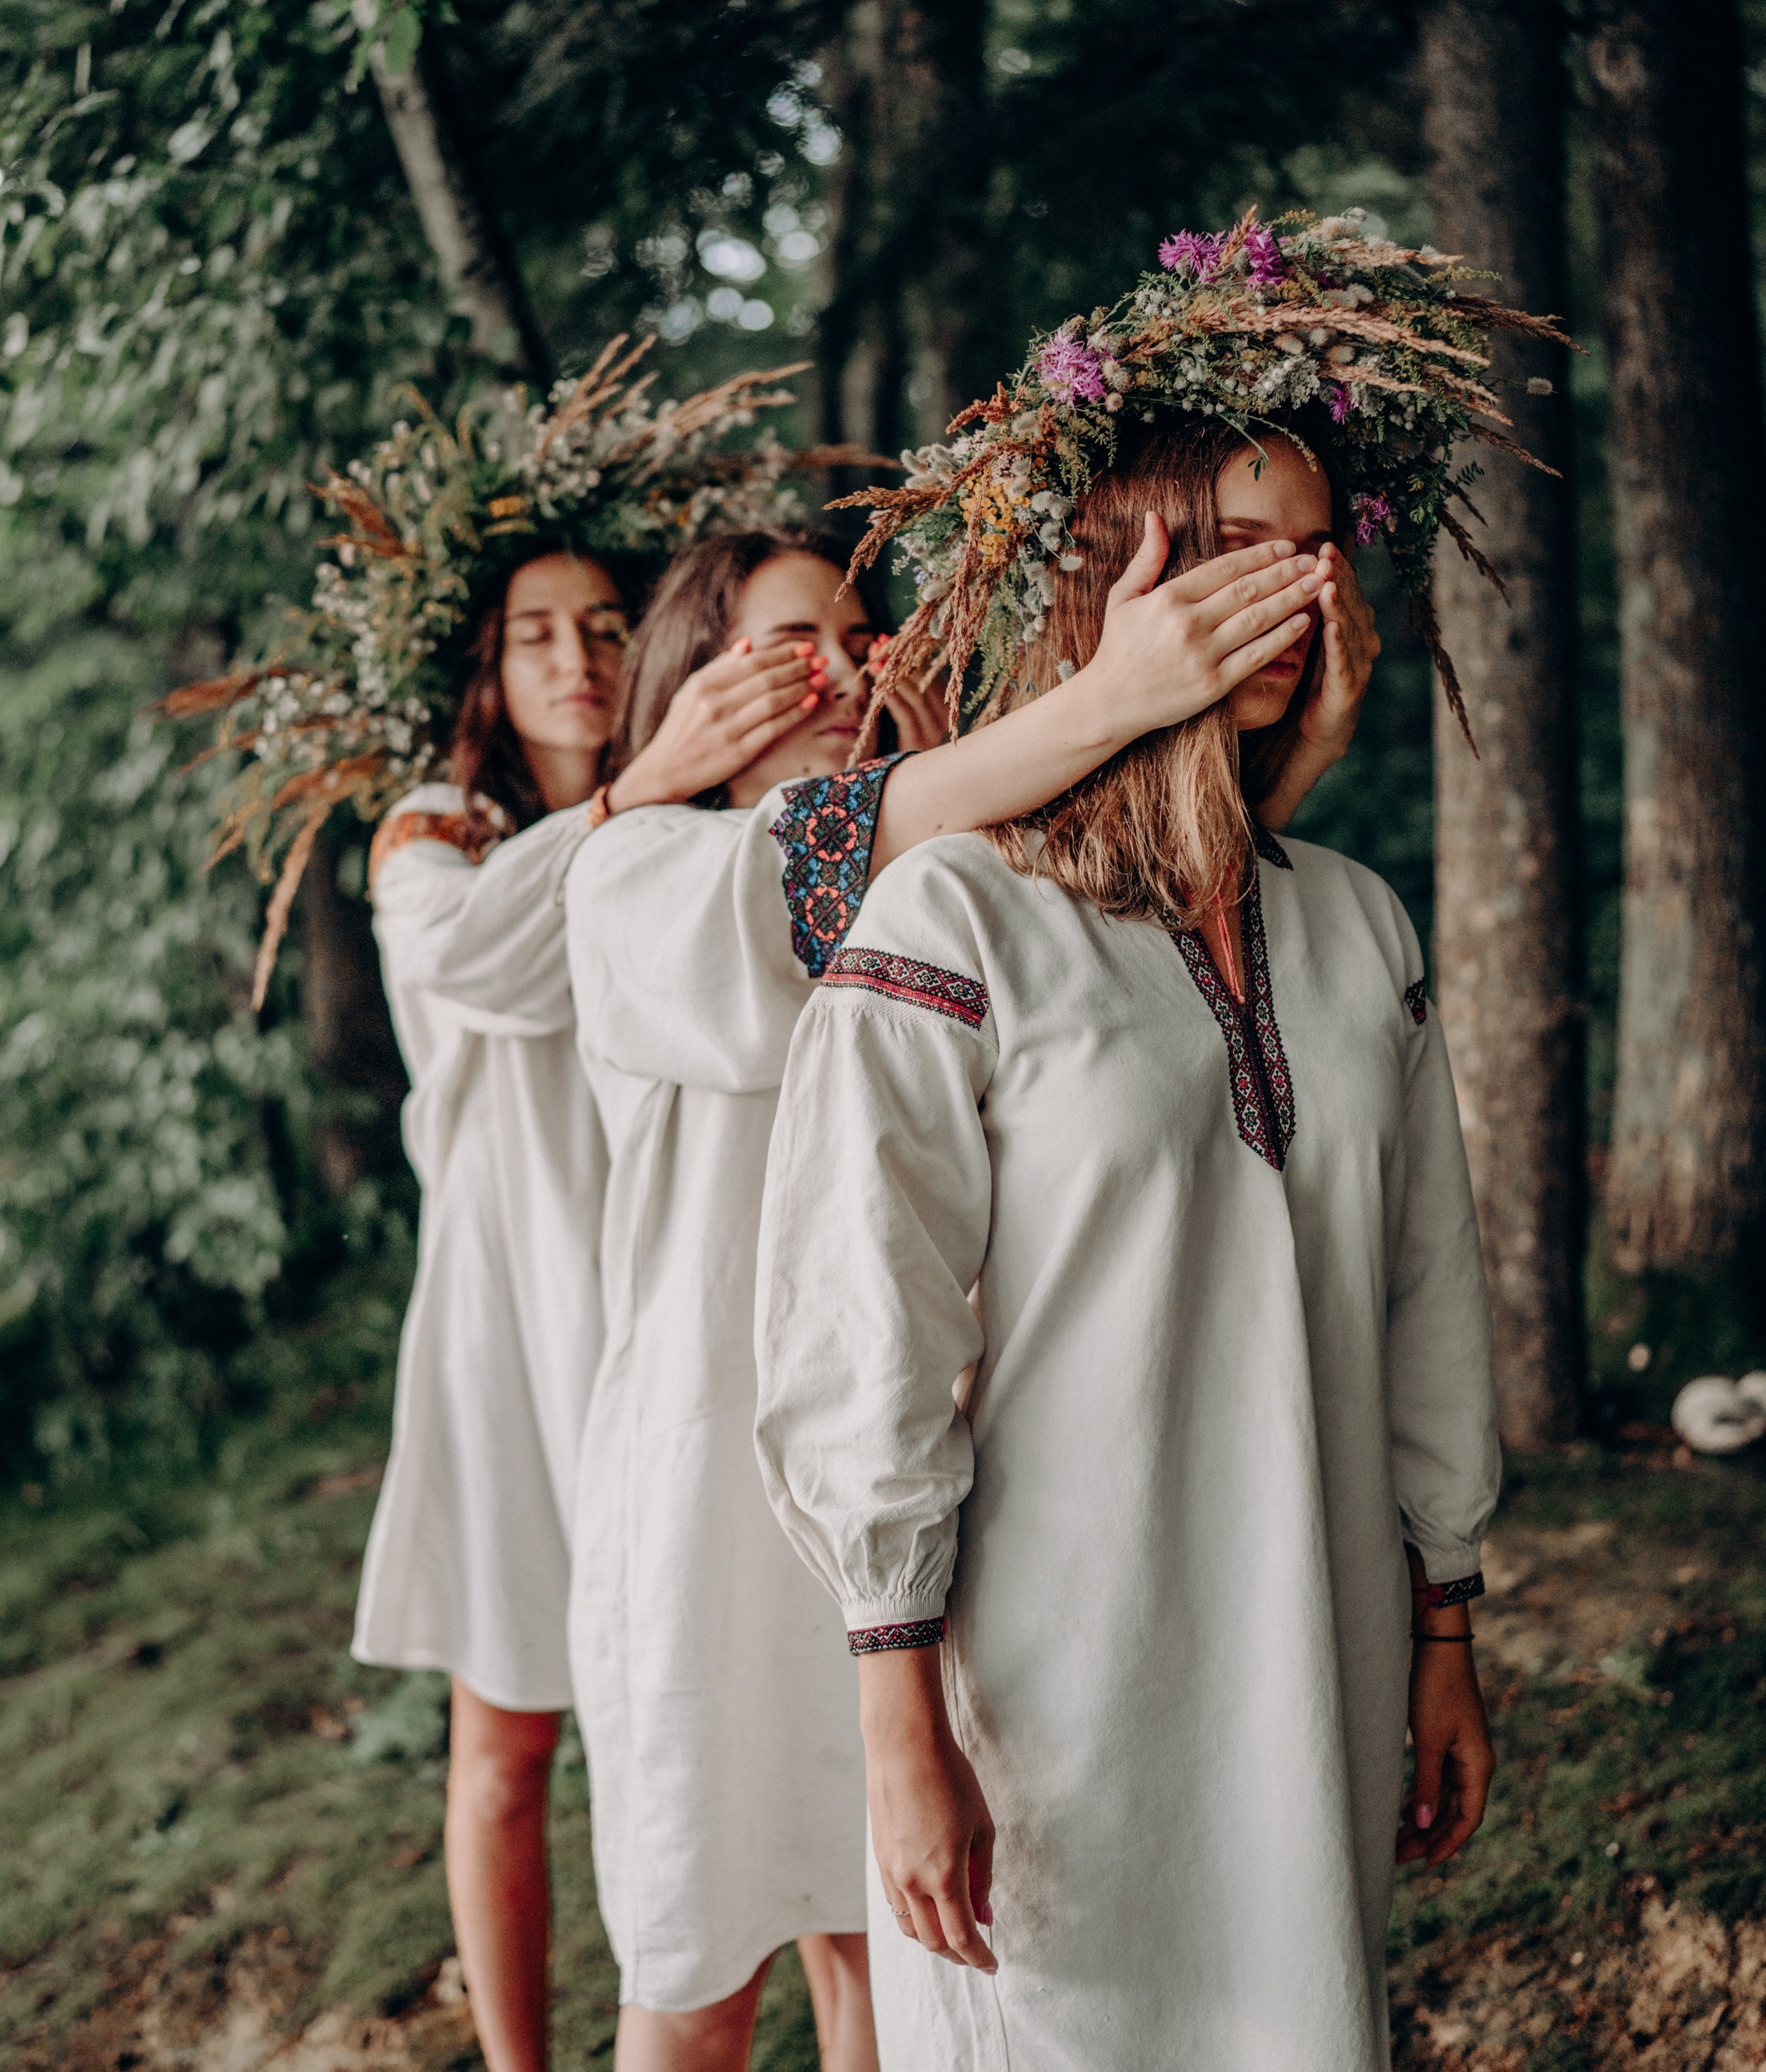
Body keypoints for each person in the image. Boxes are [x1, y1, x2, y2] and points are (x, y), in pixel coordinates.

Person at [753, 214, 1536, 2071]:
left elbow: (1428, 1292)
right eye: (1229, 554)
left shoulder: (1350, 922)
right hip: (1054, 1686)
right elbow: (864, 1339)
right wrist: (895, 1720)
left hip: (1318, 1648)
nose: (1287, 592)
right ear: (1114, 577)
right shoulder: (954, 921)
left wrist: (1446, 1625)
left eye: (1312, 550)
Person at [562, 504, 1373, 2072]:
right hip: (716, 1516)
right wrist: (1104, 701)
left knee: (906, 1959)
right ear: (684, 680)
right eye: (779, 646)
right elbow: (809, 880)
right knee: (701, 1957)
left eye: (866, 640)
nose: (835, 674)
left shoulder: (973, 883)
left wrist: (1281, 752)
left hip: (923, 1510)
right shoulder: (641, 876)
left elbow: (1141, 913)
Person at [180, 349, 833, 2072]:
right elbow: (477, 960)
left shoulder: (698, 826)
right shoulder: (435, 834)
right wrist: (627, 799)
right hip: (507, 1311)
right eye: (535, 628)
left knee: (672, 1702)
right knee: (514, 1727)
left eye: (606, 625)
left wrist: (658, 792)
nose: (576, 654)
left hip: (654, 1306)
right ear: (483, 661)